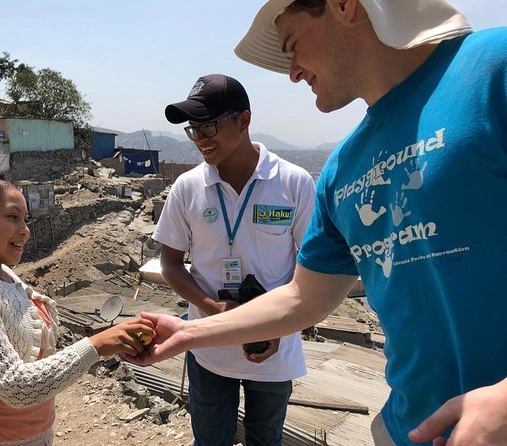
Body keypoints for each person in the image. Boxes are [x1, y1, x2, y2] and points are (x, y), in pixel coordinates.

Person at [131, 1, 507, 445]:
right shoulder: (342, 170)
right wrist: (191, 331)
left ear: (346, 7)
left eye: (292, 46)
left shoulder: (492, 70)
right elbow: (304, 297)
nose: (292, 72)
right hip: (407, 428)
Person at [152, 73, 316, 446]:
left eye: (208, 125)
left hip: (272, 348)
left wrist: (276, 326)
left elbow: (310, 270)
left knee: (266, 439)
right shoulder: (188, 187)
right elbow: (171, 264)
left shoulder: (294, 184)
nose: (201, 139)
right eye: (194, 130)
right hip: (209, 348)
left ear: (243, 120)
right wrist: (213, 307)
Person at [0, 167, 154, 446]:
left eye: (25, 220)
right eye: (12, 217)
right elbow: (15, 387)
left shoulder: (3, 275)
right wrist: (96, 346)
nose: (25, 230)